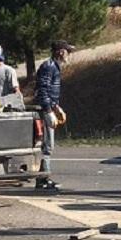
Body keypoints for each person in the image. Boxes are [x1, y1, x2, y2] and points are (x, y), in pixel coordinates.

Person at [35, 40, 75, 190]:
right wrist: (48, 111)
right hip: (44, 110)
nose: (69, 55)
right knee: (47, 145)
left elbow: (51, 93)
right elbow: (43, 90)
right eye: (68, 52)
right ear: (61, 52)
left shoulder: (54, 67)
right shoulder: (49, 67)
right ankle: (42, 180)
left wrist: (57, 107)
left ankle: (43, 178)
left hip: (49, 108)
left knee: (48, 145)